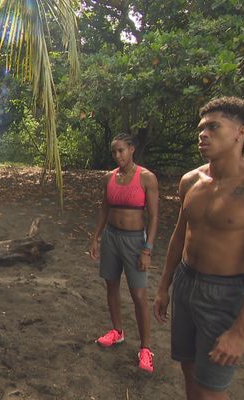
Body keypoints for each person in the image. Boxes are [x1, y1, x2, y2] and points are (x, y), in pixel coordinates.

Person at [153, 97, 244, 399]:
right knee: (188, 369)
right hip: (186, 283)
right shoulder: (191, 181)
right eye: (201, 128)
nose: (203, 134)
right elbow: (179, 235)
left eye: (214, 127)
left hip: (223, 292)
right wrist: (165, 285)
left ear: (241, 132)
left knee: (210, 387)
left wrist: (241, 332)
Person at [89, 133, 159, 373]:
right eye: (114, 152)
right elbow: (104, 209)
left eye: (121, 150)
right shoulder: (109, 178)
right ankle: (117, 331)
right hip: (111, 237)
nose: (117, 155)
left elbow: (154, 216)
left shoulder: (147, 178)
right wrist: (96, 237)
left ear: (132, 150)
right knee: (111, 286)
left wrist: (147, 249)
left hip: (134, 241)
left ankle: (146, 348)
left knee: (139, 295)